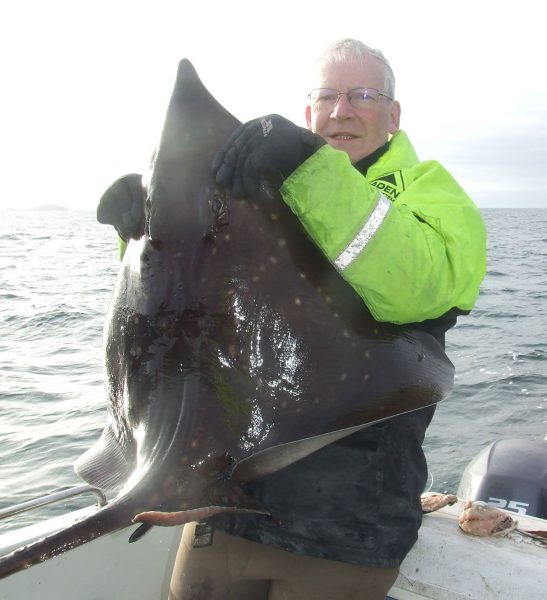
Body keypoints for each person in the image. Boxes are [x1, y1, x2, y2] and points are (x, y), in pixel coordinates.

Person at [100, 39, 486, 599]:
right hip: (223, 504)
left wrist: (311, 169)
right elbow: (184, 312)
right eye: (327, 96)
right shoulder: (256, 188)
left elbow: (420, 289)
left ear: (393, 115)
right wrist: (143, 234)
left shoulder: (431, 192)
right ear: (308, 112)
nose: (341, 110)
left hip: (347, 526)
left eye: (362, 95)